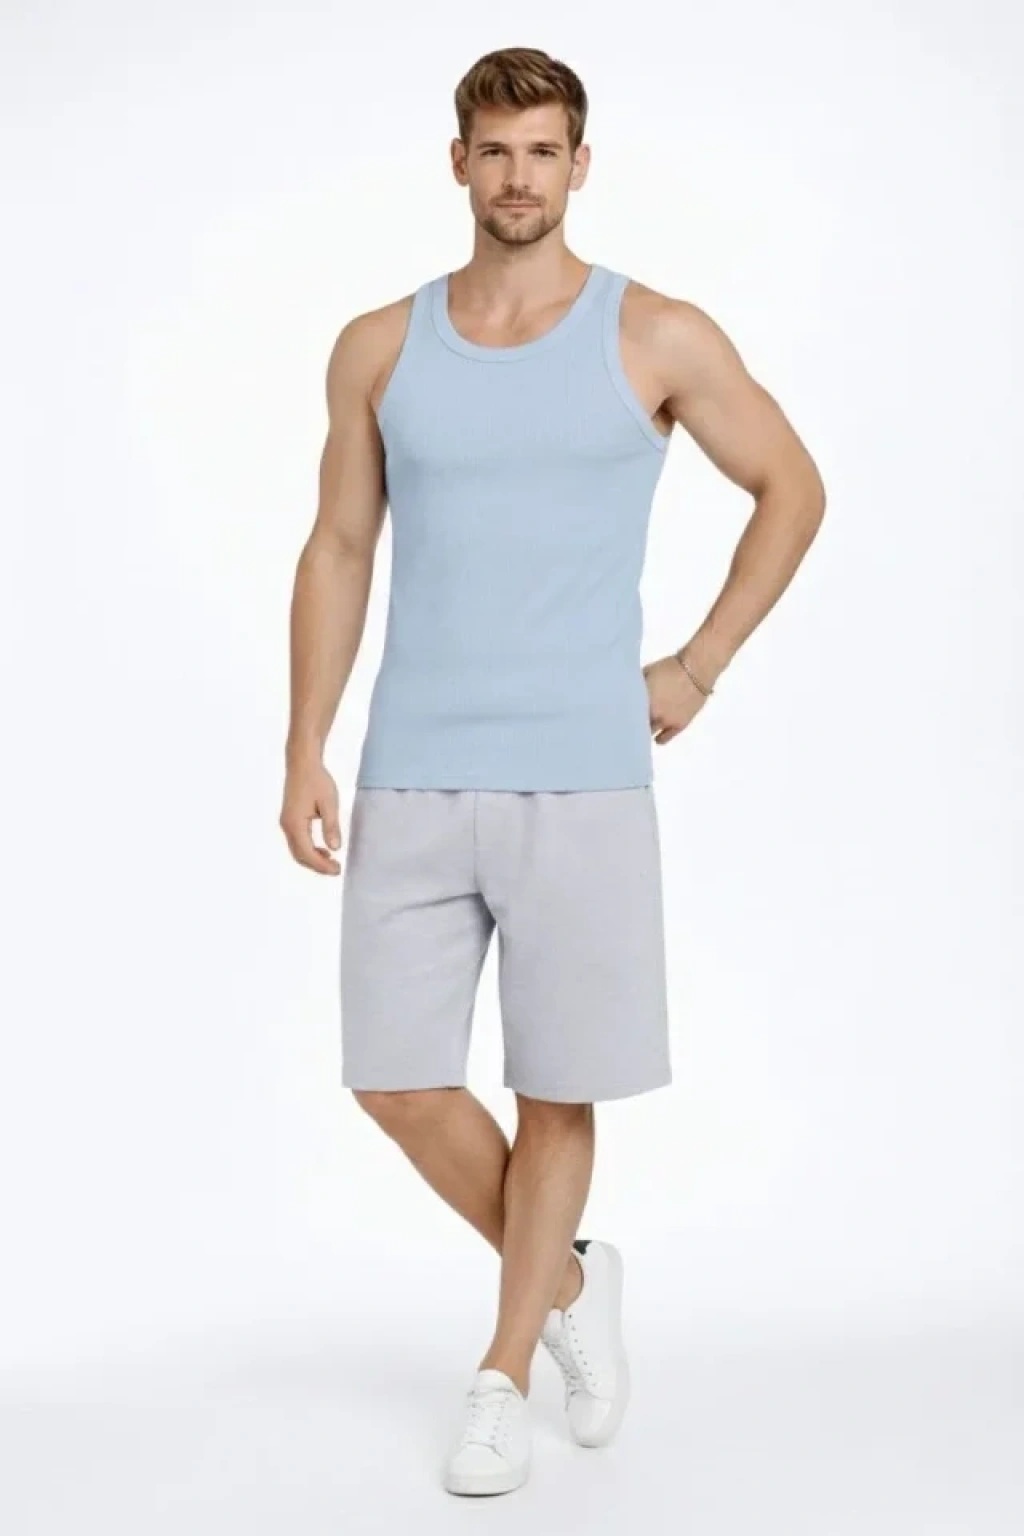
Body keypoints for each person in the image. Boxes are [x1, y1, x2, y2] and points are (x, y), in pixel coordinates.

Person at [279, 45, 826, 1497]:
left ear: (580, 166)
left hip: (583, 777)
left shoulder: (656, 335)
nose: (518, 177)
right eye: (495, 150)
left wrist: (698, 663)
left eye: (544, 152)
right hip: (411, 767)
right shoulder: (379, 347)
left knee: (557, 1089)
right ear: (457, 162)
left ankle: (503, 1374)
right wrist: (304, 743)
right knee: (398, 1080)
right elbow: (340, 546)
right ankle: (575, 1284)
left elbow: (792, 486)